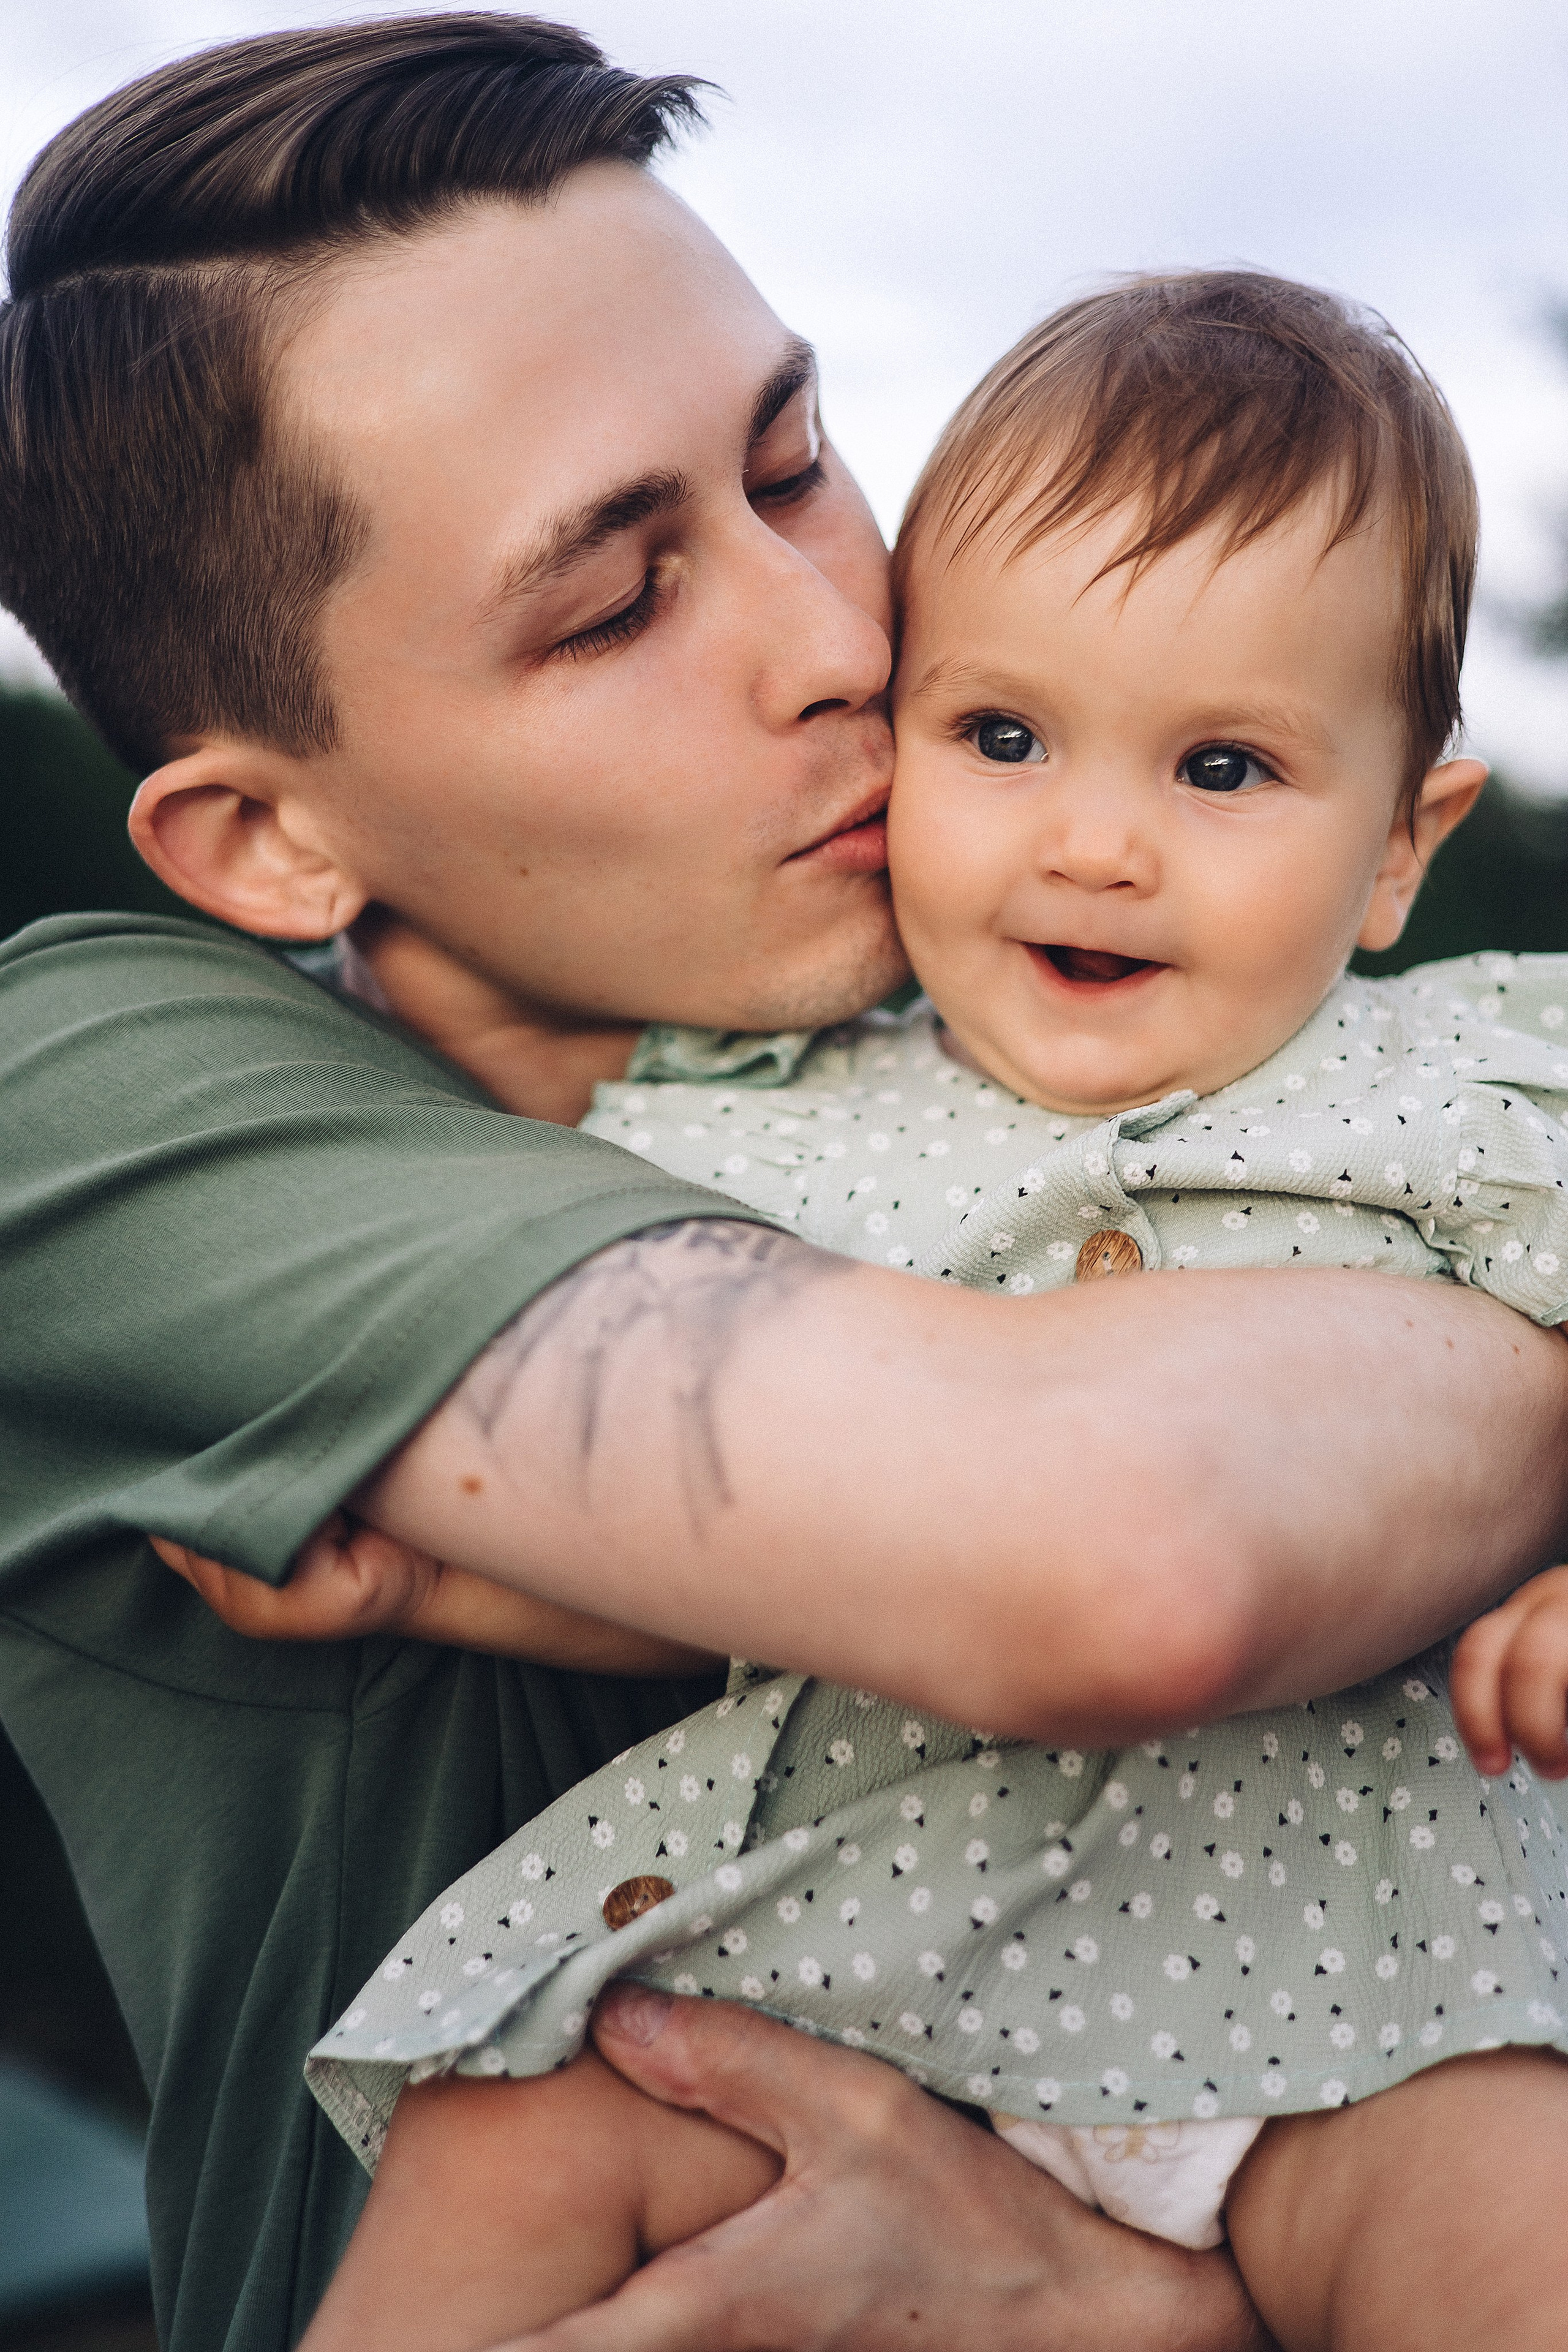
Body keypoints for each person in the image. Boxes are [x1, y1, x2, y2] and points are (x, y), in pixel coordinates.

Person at [1, 20, 1566, 2352]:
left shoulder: (1126, 1015)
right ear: (266, 838)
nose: (851, 640)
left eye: (801, 463)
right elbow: (1122, 1554)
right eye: (618, 603)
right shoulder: (86, 1093)